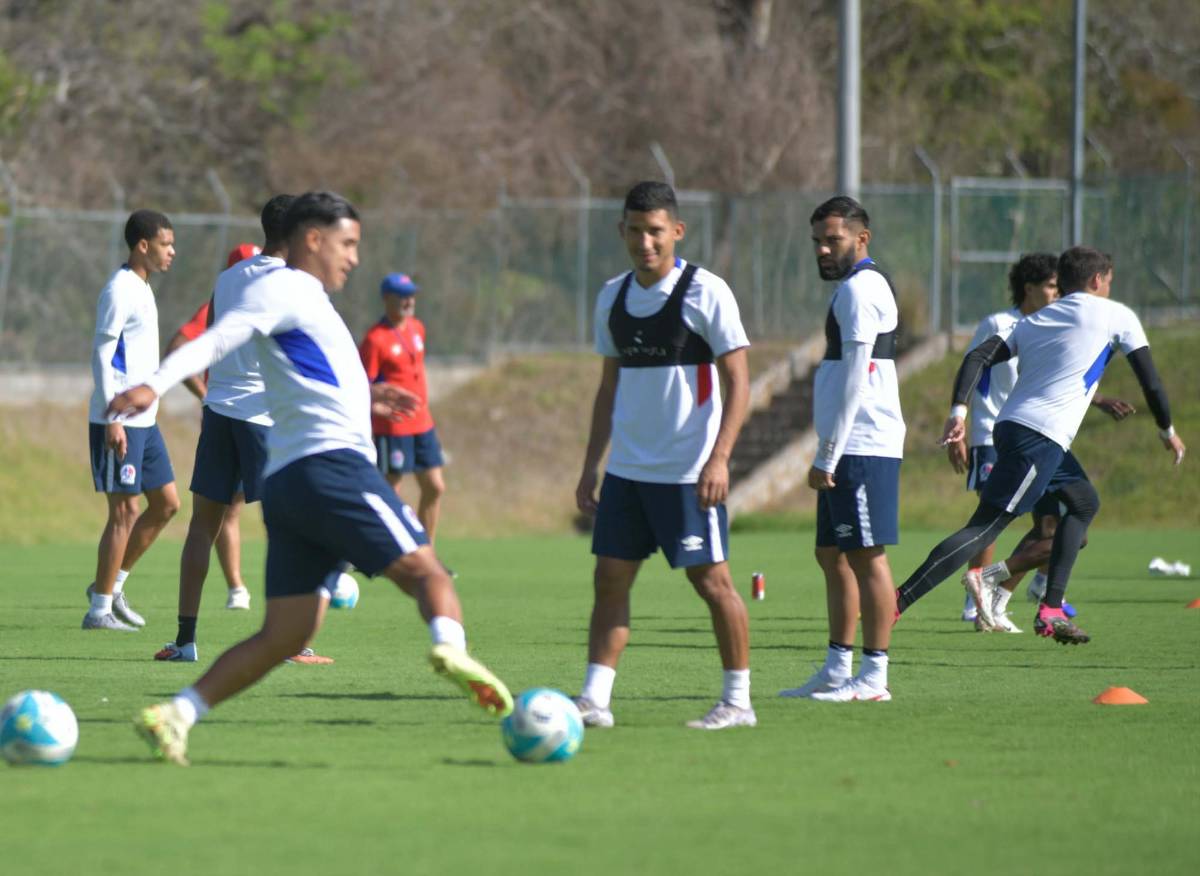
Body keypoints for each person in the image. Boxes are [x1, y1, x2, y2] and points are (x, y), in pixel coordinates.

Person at [107, 191, 512, 765]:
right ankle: (452, 649)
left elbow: (308, 371)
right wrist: (157, 382)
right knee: (429, 573)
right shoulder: (285, 286)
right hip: (332, 466)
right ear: (312, 240)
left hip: (293, 481)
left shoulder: (303, 297)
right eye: (347, 244)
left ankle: (177, 714)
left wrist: (369, 395)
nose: (353, 258)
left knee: (285, 635)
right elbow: (219, 338)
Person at [895, 246, 1186, 644]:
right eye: (1109, 281)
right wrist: (1167, 430)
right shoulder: (1118, 316)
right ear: (1098, 280)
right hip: (1040, 438)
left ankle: (1050, 607)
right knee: (984, 528)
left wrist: (958, 412)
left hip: (1016, 429)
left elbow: (978, 357)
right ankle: (896, 602)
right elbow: (1150, 381)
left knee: (1083, 503)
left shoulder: (1035, 320)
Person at [573, 181, 754, 731]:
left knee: (712, 583)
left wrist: (719, 459)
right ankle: (594, 699)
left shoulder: (707, 291)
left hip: (687, 473)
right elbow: (608, 390)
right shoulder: (612, 296)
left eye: (655, 231)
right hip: (628, 471)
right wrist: (590, 467)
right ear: (621, 232)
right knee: (609, 580)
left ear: (676, 231)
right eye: (634, 230)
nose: (644, 242)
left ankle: (738, 701)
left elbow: (739, 382)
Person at [155, 199, 331, 666]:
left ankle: (185, 642)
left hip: (219, 413)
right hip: (263, 419)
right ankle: (295, 642)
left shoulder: (228, 278)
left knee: (202, 528)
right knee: (291, 529)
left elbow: (214, 340)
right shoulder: (294, 283)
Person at [949, 254, 1135, 631]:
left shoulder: (1051, 324)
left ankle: (1007, 593)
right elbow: (977, 367)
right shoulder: (999, 323)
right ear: (1029, 287)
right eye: (1050, 286)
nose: (1057, 292)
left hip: (1040, 438)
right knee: (991, 523)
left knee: (1054, 526)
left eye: (1058, 286)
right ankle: (977, 601)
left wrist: (1098, 400)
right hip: (996, 436)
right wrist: (961, 421)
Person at [778, 196, 904, 703]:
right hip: (848, 445)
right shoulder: (855, 289)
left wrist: (827, 453)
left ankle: (874, 678)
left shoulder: (860, 293)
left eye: (833, 239)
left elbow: (856, 379)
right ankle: (836, 669)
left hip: (861, 445)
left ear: (862, 238)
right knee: (831, 554)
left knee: (866, 557)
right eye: (817, 241)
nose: (823, 249)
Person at [84, 209, 182, 631]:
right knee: (125, 509)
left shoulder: (143, 287)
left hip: (146, 420)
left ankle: (112, 585)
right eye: (166, 244)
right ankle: (99, 610)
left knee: (167, 504)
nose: (172, 252)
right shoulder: (120, 289)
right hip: (120, 420)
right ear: (143, 245)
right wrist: (114, 416)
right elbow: (103, 355)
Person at [163, 241, 262, 613]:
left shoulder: (224, 296)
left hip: (222, 418)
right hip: (251, 420)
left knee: (211, 518)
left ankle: (188, 634)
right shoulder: (235, 303)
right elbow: (177, 348)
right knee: (275, 517)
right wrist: (203, 392)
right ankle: (281, 626)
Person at [359, 273, 447, 543]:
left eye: (411, 295)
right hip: (393, 427)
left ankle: (426, 552)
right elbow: (364, 386)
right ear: (387, 298)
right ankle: (387, 552)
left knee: (434, 487)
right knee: (390, 492)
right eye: (402, 295)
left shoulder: (417, 328)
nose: (409, 301)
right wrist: (377, 411)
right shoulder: (375, 339)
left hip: (423, 423)